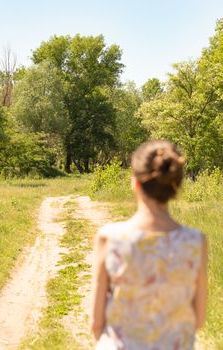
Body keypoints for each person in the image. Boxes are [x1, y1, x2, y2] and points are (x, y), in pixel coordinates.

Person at [90, 140, 207, 350]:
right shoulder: (195, 242)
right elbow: (198, 320)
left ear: (135, 183)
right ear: (176, 185)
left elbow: (96, 323)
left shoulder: (110, 238)